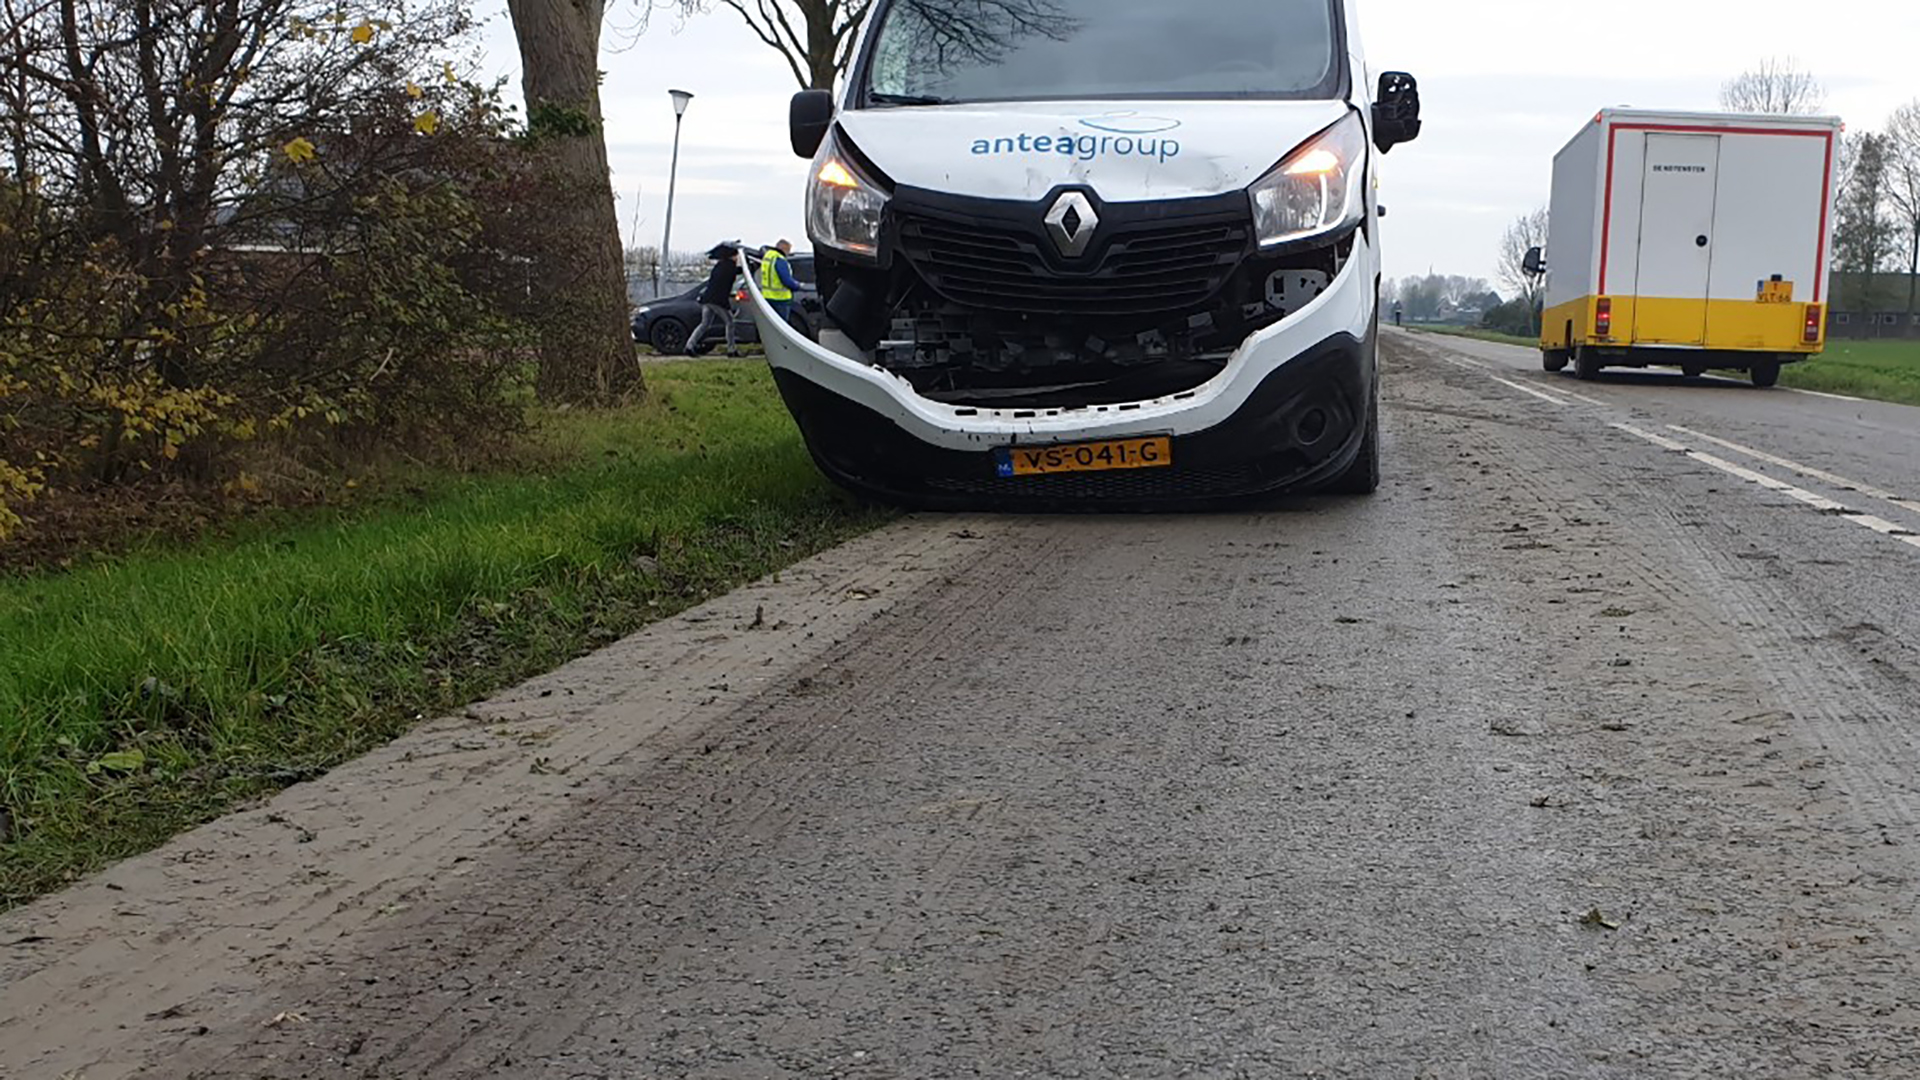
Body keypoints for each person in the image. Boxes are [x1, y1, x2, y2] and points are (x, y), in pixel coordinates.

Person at [688, 242, 742, 356]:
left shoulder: (719, 266)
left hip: (707, 299)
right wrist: (750, 267)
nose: (737, 258)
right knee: (730, 323)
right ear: (732, 256)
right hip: (718, 301)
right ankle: (731, 350)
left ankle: (689, 345)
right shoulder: (730, 266)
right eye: (736, 256)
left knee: (704, 324)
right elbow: (737, 272)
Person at [758, 239, 799, 324]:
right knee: (782, 325)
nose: (788, 253)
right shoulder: (779, 260)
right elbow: (786, 280)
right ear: (784, 249)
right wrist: (797, 286)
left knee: (770, 324)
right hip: (780, 299)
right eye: (788, 250)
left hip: (767, 297)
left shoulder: (768, 257)